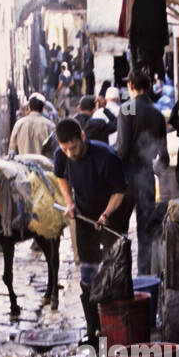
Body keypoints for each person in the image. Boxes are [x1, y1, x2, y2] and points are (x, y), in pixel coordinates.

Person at [53, 119, 127, 345]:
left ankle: (118, 332)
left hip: (111, 219)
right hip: (84, 219)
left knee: (114, 274)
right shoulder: (61, 155)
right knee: (88, 275)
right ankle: (93, 331)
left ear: (82, 137)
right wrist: (69, 202)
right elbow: (60, 176)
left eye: (73, 147)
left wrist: (105, 215)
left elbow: (120, 191)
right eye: (65, 148)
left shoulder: (107, 157)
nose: (70, 153)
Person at [115, 66, 168, 274]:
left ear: (131, 86)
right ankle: (144, 279)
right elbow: (163, 157)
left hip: (126, 179)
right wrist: (154, 168)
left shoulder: (128, 108)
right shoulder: (157, 113)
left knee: (120, 232)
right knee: (145, 234)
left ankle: (122, 276)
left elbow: (122, 148)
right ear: (148, 87)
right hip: (146, 178)